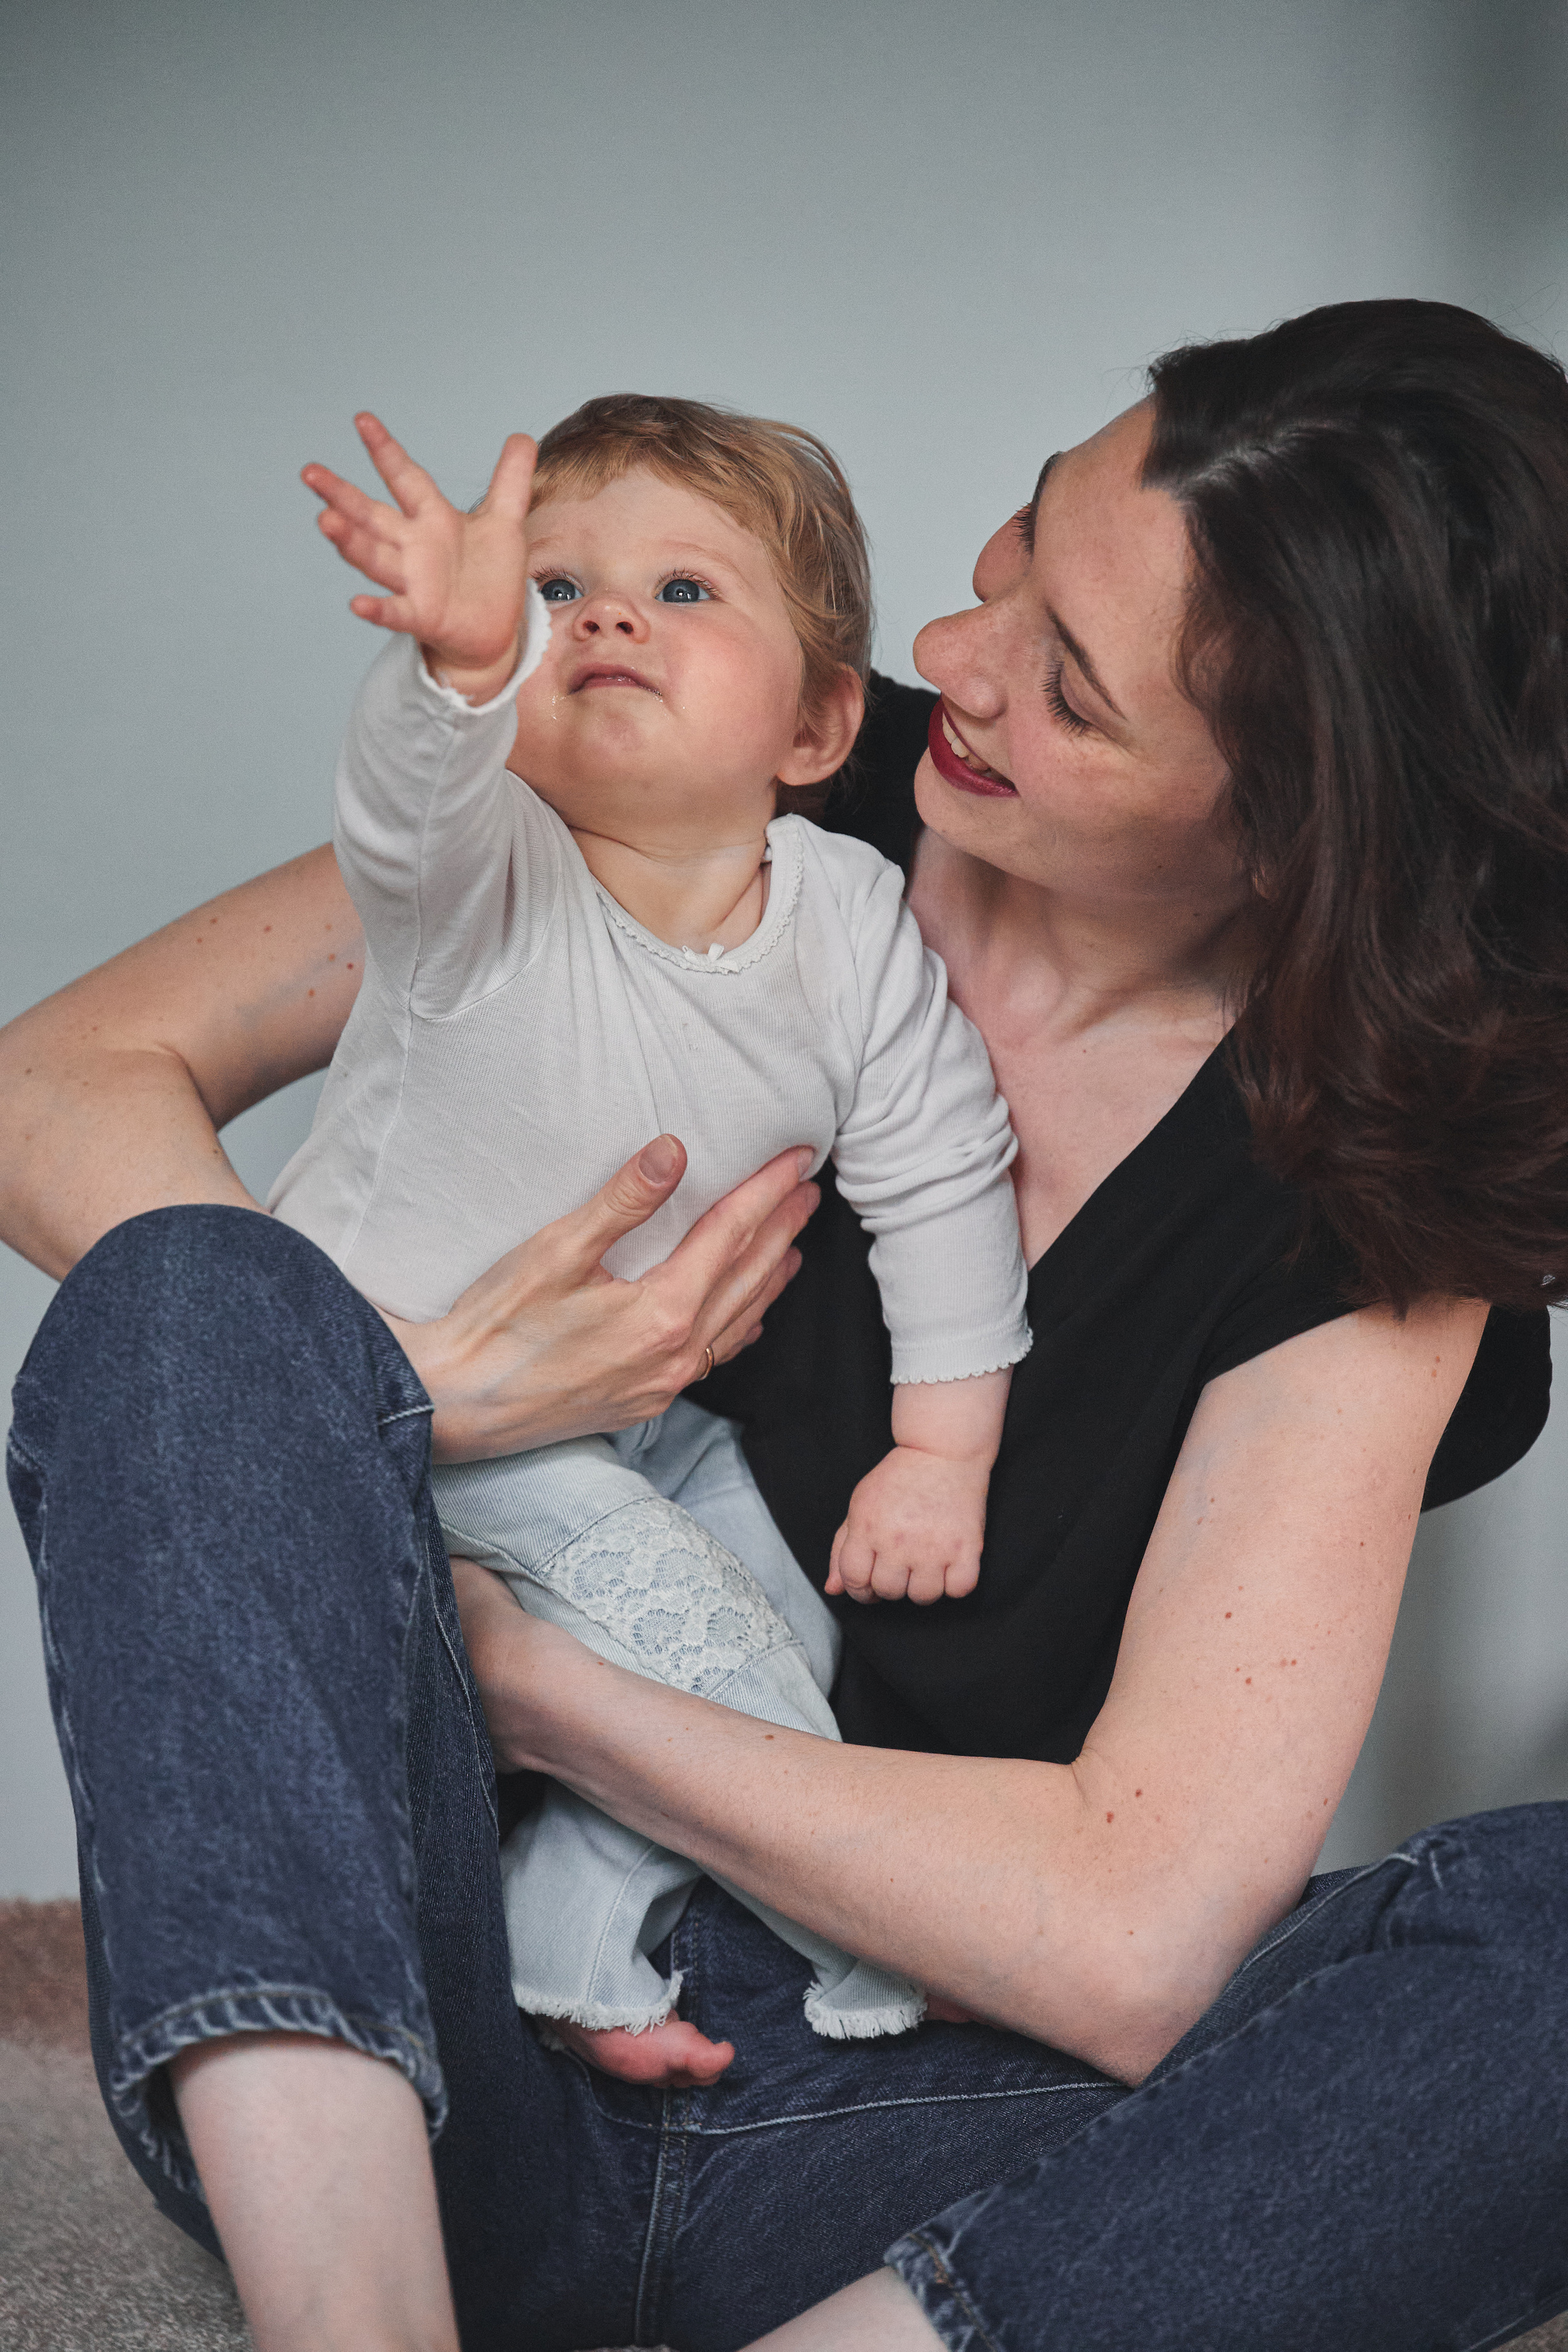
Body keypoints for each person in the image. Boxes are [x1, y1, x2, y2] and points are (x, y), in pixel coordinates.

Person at [5, 298, 1567, 2352]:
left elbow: (1131, 1935)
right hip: (406, 2036)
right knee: (195, 1294)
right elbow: (60, 1083)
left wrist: (535, 1681)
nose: (954, 653)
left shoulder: (1382, 1176)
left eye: (1070, 692)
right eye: (1021, 545)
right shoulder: (745, 766)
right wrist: (406, 1403)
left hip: (902, 2114)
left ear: (1286, 829)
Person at [280, 392, 1031, 2073]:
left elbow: (940, 1173)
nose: (608, 616)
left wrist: (940, 1455)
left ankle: (572, 1928)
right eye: (560, 590)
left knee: (781, 1601)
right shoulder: (481, 880)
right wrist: (458, 668)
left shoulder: (844, 915)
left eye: (686, 592)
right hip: (414, 1402)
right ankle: (896, 1922)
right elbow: (407, 803)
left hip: (638, 1418)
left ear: (823, 724)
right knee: (687, 1624)